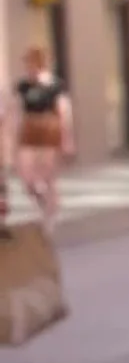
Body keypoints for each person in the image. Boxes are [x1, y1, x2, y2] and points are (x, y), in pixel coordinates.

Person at [11, 47, 72, 229]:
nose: (27, 68)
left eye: (30, 64)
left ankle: (50, 214)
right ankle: (43, 202)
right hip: (29, 129)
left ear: (39, 64)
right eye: (26, 64)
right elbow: (16, 110)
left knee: (47, 177)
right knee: (27, 177)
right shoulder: (23, 85)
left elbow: (64, 110)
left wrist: (68, 140)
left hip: (49, 129)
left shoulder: (54, 84)